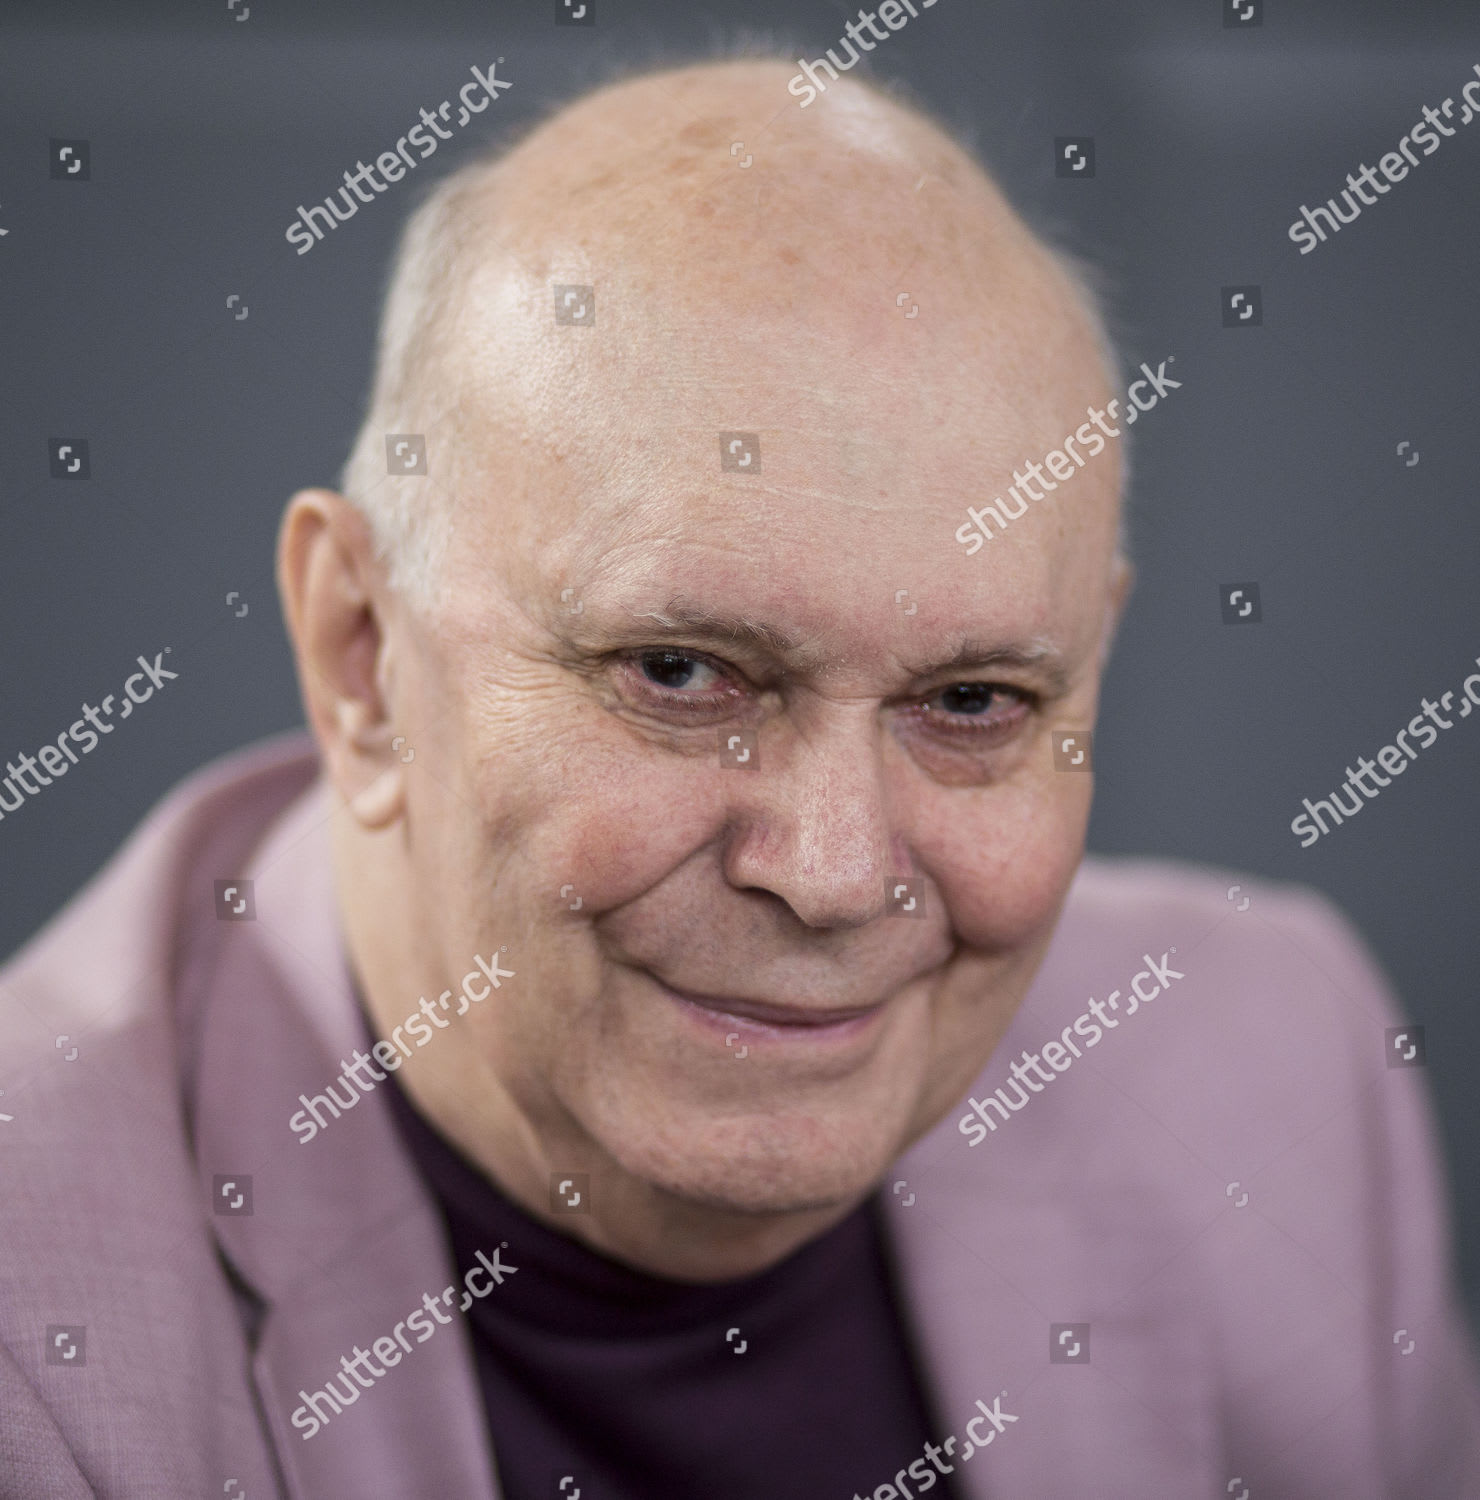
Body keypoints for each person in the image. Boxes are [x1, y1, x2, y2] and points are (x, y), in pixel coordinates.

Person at [2, 58, 1476, 1500]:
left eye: (972, 701)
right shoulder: (37, 1341)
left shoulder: (1277, 1069)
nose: (834, 872)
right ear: (361, 656)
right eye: (681, 674)